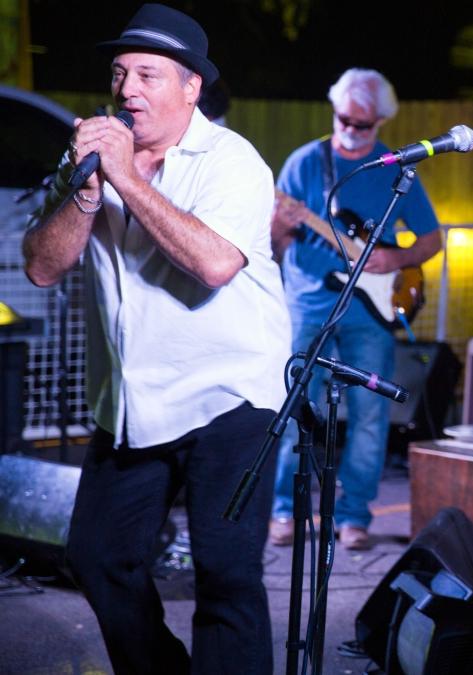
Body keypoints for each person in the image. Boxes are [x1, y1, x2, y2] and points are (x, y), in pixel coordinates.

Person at [22, 4, 290, 673]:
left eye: (147, 74)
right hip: (134, 400)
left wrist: (127, 179)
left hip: (229, 396)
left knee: (226, 574)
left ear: (191, 87)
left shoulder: (231, 160)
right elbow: (42, 264)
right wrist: (87, 188)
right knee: (96, 553)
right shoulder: (92, 159)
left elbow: (213, 263)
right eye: (119, 73)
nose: (127, 89)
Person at [268, 68, 442, 551]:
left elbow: (431, 239)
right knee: (294, 404)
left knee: (370, 413)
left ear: (381, 120)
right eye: (344, 117)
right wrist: (281, 227)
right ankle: (284, 509)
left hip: (371, 310)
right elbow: (276, 242)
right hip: (308, 301)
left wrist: (395, 257)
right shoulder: (304, 163)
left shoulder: (393, 167)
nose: (349, 127)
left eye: (362, 123)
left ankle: (354, 517)